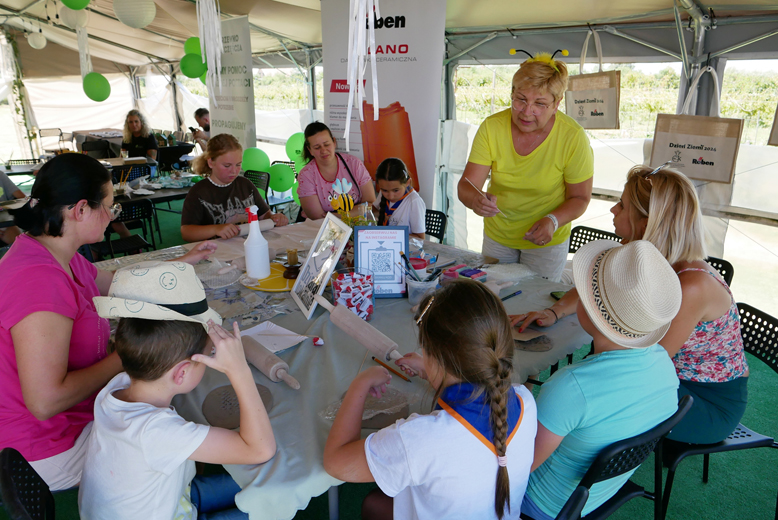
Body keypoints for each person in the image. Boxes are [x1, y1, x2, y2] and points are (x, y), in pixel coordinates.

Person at [0, 153, 217, 490]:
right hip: (48, 446)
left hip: (67, 421)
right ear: (80, 209)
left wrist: (182, 261)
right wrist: (129, 356)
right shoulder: (39, 280)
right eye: (110, 207)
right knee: (169, 425)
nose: (112, 216)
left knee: (169, 401)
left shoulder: (54, 252)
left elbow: (118, 282)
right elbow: (45, 403)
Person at [513, 165, 749, 445]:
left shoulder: (692, 287)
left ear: (646, 223)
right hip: (668, 379)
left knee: (593, 396)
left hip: (705, 401)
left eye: (622, 205)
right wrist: (554, 312)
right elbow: (596, 283)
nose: (613, 210)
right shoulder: (643, 255)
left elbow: (644, 364)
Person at [324, 280, 537, 520]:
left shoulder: (418, 439)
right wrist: (433, 369)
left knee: (374, 503)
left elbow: (336, 462)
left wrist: (358, 386)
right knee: (376, 503)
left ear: (438, 356)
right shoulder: (525, 400)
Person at [79, 262, 276, 519]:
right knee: (269, 504)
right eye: (209, 356)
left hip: (161, 500)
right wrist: (240, 371)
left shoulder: (116, 387)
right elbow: (260, 450)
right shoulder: (158, 432)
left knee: (265, 485)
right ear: (181, 373)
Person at [521, 239, 681, 520]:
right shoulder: (664, 365)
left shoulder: (571, 387)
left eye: (582, 291)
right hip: (596, 496)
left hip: (540, 505)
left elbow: (517, 466)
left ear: (592, 309)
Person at [457, 52, 594, 282]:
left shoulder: (572, 136)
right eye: (520, 99)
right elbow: (467, 186)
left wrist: (552, 221)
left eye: (540, 104)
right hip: (498, 237)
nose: (527, 111)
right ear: (511, 94)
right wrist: (475, 199)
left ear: (557, 104)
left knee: (536, 303)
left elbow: (580, 198)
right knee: (495, 299)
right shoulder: (492, 127)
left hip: (547, 242)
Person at [181, 134, 288, 242]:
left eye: (238, 165)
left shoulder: (245, 185)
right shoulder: (199, 192)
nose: (233, 171)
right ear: (210, 163)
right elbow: (187, 232)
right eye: (227, 166)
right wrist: (215, 229)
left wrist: (275, 217)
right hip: (216, 252)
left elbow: (264, 214)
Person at [296, 121, 376, 220]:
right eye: (317, 147)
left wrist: (341, 216)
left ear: (334, 142)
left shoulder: (354, 164)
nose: (323, 150)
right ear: (310, 150)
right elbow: (316, 216)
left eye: (326, 144)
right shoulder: (306, 175)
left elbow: (371, 203)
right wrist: (356, 211)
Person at [373, 158, 426, 239]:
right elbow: (374, 210)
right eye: (384, 190)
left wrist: (390, 235)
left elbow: (420, 238)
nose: (390, 196)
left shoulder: (414, 201)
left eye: (396, 190)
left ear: (407, 183)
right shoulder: (383, 192)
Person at [0, 170, 26, 245]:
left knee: (22, 245)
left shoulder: (1, 175)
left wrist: (3, 205)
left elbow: (22, 199)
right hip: (4, 222)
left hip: (4, 222)